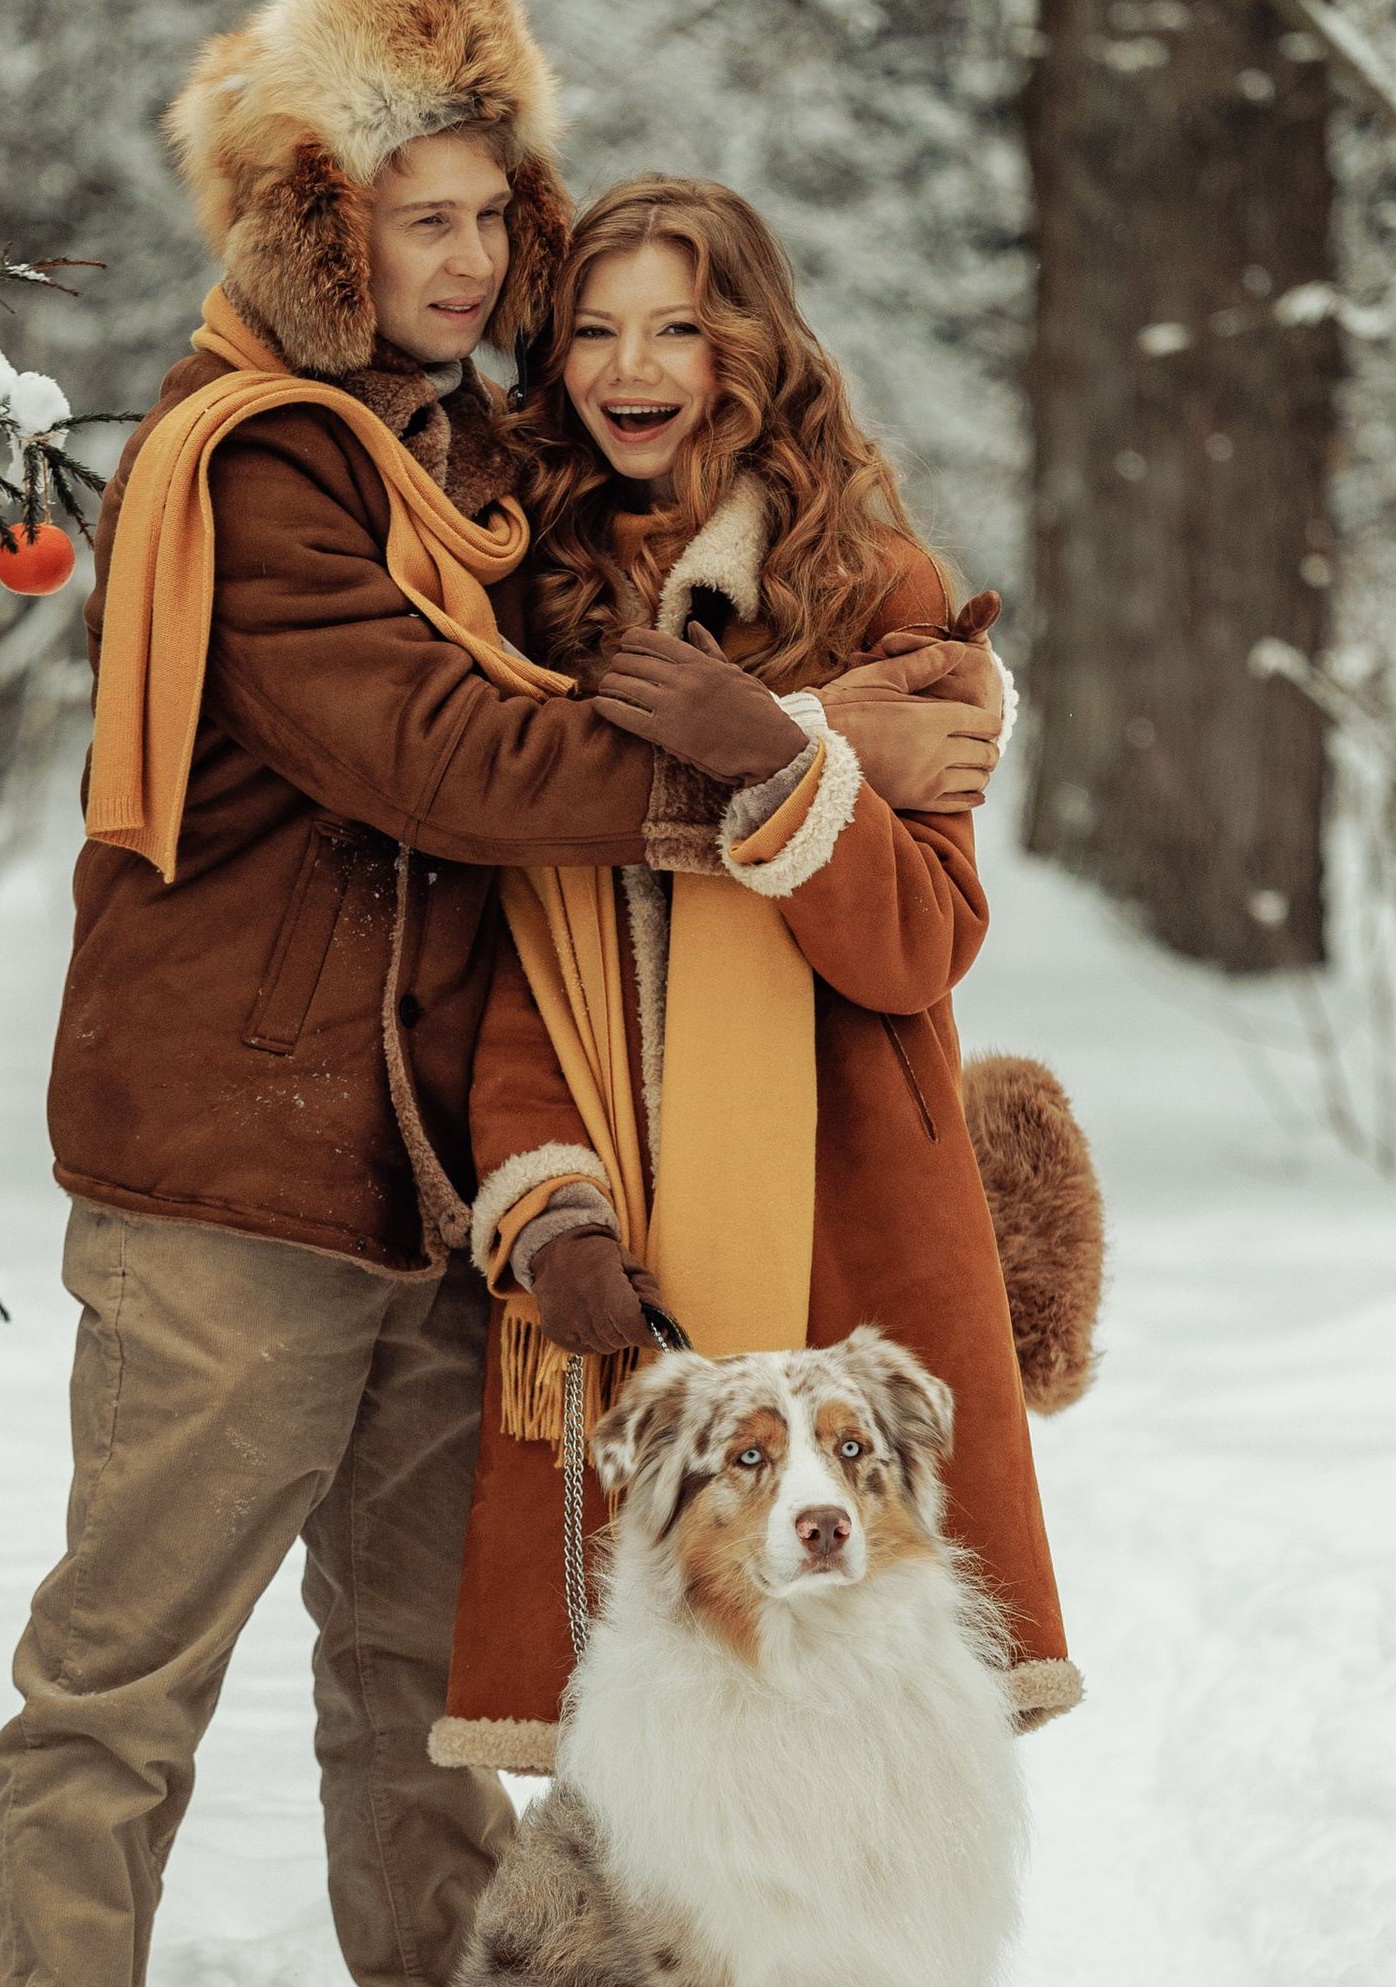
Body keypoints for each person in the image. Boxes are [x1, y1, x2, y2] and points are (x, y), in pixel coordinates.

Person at [0, 0, 1002, 1987]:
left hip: (438, 1186)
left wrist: (859, 714)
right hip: (234, 1158)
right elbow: (439, 759)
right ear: (317, 233)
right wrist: (802, 748)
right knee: (129, 1658)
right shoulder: (261, 469)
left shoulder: (470, 475)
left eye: (482, 213)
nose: (458, 259)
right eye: (407, 216)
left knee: (419, 1687)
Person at [432, 175, 1082, 1772]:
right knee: (657, 1735)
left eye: (676, 327)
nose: (628, 367)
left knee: (872, 1715)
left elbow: (921, 944)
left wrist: (772, 760)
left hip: (845, 1210)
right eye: (592, 330)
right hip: (628, 1220)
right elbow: (521, 959)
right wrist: (547, 1209)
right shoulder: (528, 598)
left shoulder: (878, 591)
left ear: (751, 345)